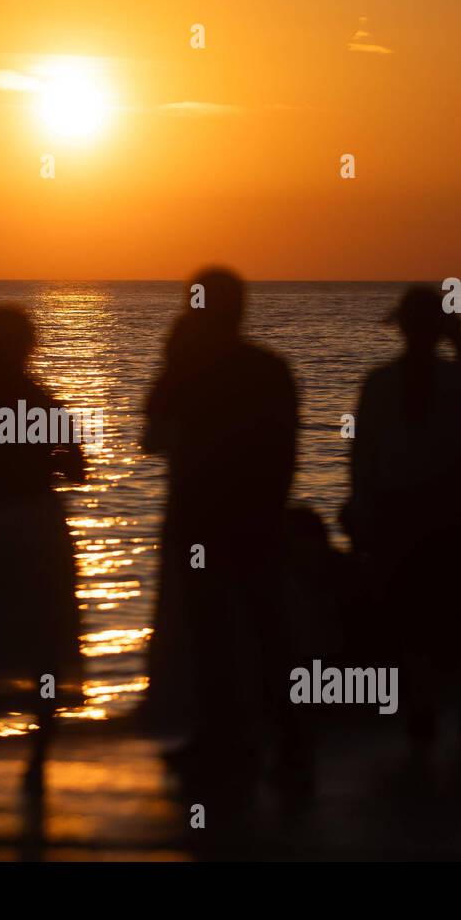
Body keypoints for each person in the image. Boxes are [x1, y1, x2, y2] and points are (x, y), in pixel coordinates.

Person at [143, 269, 299, 789]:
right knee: (266, 633)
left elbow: (151, 436)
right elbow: (285, 454)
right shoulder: (270, 369)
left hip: (202, 522)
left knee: (214, 635)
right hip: (256, 521)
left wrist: (171, 360)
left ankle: (225, 739)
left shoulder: (192, 371)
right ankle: (287, 742)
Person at [343, 286, 461, 751]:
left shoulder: (383, 384)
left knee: (413, 612)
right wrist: (457, 334)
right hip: (447, 512)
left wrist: (361, 507)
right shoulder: (449, 379)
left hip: (407, 513)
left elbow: (361, 456)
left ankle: (425, 706)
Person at [0, 305, 86, 794]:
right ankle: (37, 762)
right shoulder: (44, 403)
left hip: (3, 524)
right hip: (42, 524)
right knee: (45, 638)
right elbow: (79, 471)